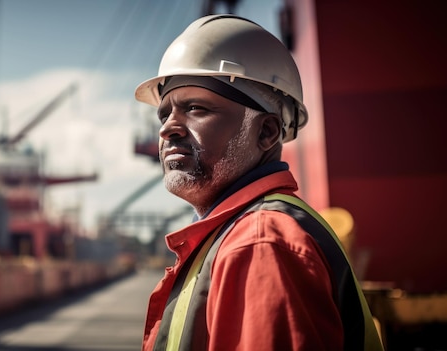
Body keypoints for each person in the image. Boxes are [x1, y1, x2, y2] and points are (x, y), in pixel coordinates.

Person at [133, 14, 383, 351]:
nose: (168, 128)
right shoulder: (235, 235)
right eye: (164, 114)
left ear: (265, 132)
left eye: (195, 108)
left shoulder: (259, 242)